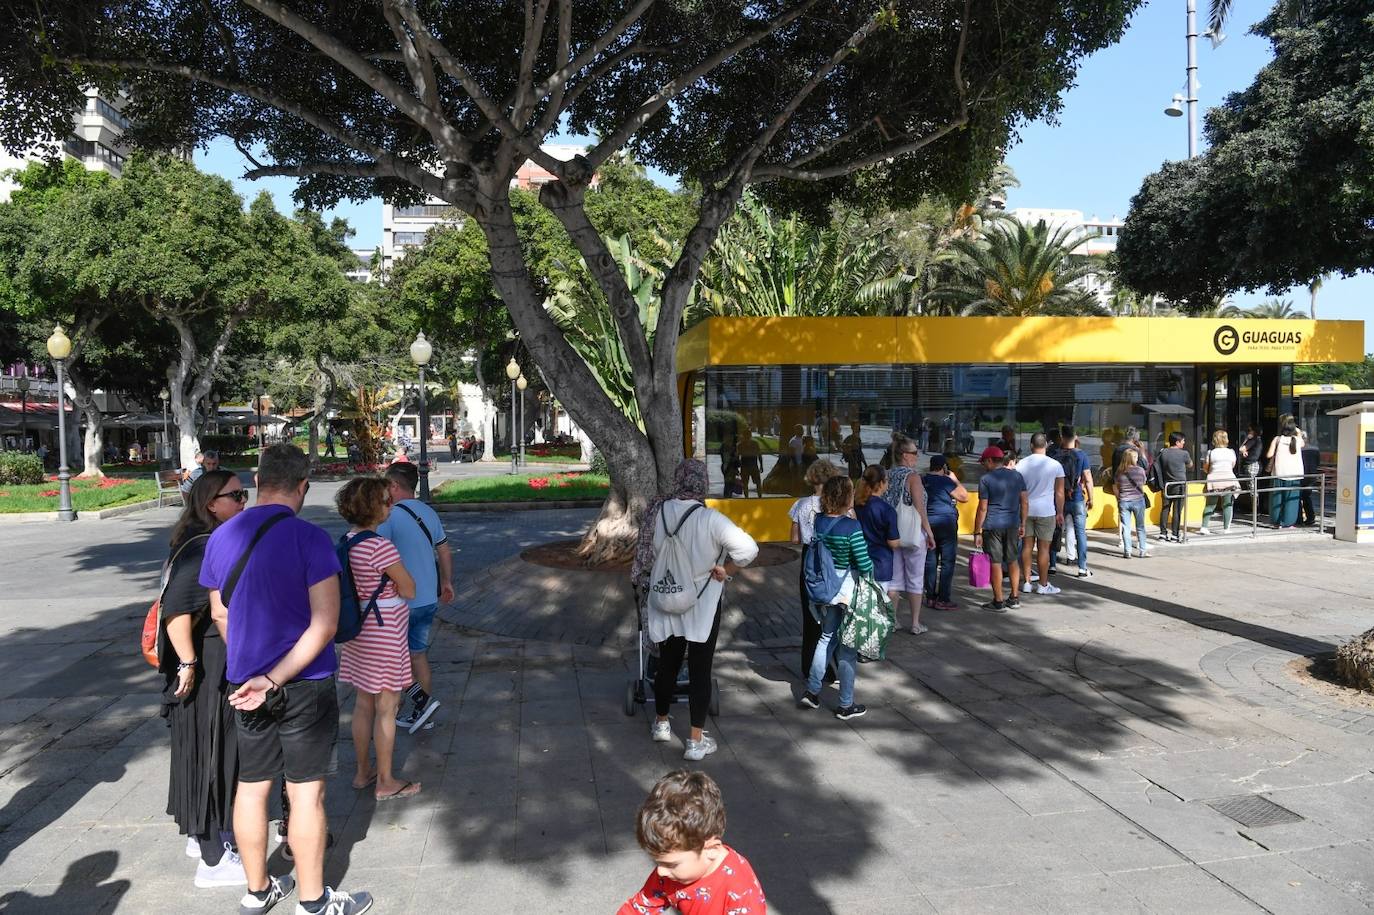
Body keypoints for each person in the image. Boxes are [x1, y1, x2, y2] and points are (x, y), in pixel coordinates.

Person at [201, 444, 372, 915]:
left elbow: (220, 611)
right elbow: (325, 624)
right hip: (303, 684)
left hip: (244, 683)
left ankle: (257, 892)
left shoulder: (221, 537)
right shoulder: (310, 539)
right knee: (306, 792)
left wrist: (253, 666)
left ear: (257, 481)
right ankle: (314, 901)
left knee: (252, 788)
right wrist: (274, 677)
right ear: (303, 486)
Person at [160, 469, 249, 889]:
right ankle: (213, 861)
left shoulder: (195, 539)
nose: (244, 502)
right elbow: (176, 610)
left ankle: (203, 840)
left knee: (202, 756)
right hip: (208, 668)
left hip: (205, 666)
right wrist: (190, 663)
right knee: (212, 758)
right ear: (212, 504)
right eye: (236, 495)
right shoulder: (205, 546)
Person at [635, 460, 758, 761]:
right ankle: (694, 741)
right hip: (702, 604)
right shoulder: (711, 519)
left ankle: (661, 724)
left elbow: (645, 554)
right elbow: (749, 549)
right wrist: (725, 569)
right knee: (701, 669)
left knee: (667, 662)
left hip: (666, 597)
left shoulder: (658, 512)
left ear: (678, 479)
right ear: (702, 483)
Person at [336, 476, 422, 802]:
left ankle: (362, 772)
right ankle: (385, 780)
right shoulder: (379, 546)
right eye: (386, 500)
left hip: (360, 630)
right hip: (384, 630)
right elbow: (409, 587)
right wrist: (399, 586)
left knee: (363, 703)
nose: (390, 504)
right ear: (373, 507)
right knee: (387, 706)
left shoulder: (348, 540)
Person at [618, 770, 765, 915]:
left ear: (711, 850)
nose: (660, 871)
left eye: (672, 864)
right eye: (658, 862)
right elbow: (638, 908)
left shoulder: (741, 891)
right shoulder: (671, 872)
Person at [377, 462, 454, 733]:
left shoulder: (390, 517)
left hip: (399, 602)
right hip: (427, 600)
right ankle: (423, 713)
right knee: (418, 656)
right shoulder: (428, 512)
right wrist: (446, 582)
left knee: (395, 659)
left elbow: (377, 556)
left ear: (395, 486)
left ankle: (393, 710)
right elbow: (444, 551)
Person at [799, 475, 870, 719]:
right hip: (845, 591)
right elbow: (863, 562)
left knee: (826, 638)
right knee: (848, 649)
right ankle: (846, 704)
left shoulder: (819, 522)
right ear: (847, 498)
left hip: (825, 589)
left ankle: (812, 690)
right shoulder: (851, 527)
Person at [789, 459, 839, 683]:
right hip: (833, 558)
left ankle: (808, 665)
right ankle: (832, 663)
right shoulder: (837, 504)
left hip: (809, 558)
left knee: (810, 615)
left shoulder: (800, 505)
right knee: (835, 613)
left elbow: (794, 538)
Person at [881, 435, 935, 634]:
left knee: (894, 580)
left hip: (892, 535)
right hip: (913, 535)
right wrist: (929, 533)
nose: (917, 456)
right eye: (914, 453)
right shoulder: (913, 477)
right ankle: (914, 623)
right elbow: (920, 509)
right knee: (915, 578)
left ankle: (892, 621)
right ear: (904, 455)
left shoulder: (886, 475)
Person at [973, 446, 1027, 613]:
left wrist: (977, 531)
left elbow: (982, 508)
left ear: (990, 461)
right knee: (1012, 560)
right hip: (1012, 524)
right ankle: (1015, 597)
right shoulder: (1017, 476)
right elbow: (1024, 502)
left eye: (984, 462)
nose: (983, 466)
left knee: (995, 562)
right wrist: (1023, 523)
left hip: (992, 525)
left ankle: (998, 601)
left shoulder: (986, 479)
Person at [1015, 433, 1065, 596]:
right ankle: (1043, 584)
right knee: (1044, 549)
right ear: (1046, 446)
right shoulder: (1055, 465)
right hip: (1046, 511)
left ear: (1031, 445)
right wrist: (1060, 512)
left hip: (1025, 510)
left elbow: (1017, 490)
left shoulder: (1021, 464)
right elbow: (1059, 492)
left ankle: (1027, 582)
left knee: (1027, 546)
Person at [853, 466, 902, 629]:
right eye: (886, 480)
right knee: (877, 608)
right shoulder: (887, 510)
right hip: (880, 563)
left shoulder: (856, 504)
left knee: (860, 606)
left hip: (857, 560)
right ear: (880, 483)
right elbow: (893, 542)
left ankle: (857, 645)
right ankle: (870, 647)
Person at [922, 454, 968, 610]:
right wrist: (955, 479)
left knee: (930, 560)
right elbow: (964, 497)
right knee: (947, 561)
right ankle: (943, 598)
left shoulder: (922, 480)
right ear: (944, 467)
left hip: (927, 522)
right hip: (946, 523)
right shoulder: (946, 481)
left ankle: (930, 596)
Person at [1058, 428, 1094, 578]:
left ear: (1062, 437)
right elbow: (1088, 477)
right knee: (1080, 533)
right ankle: (1082, 568)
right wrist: (1091, 498)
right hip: (1078, 498)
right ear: (1076, 437)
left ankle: (1052, 565)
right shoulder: (1082, 455)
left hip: (1060, 499)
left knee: (1057, 532)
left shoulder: (1056, 455)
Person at [1198, 430, 1240, 534]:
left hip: (1213, 480)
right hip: (1228, 479)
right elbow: (1233, 465)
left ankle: (1204, 527)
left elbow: (1206, 467)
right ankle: (1226, 528)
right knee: (1227, 504)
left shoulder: (1211, 452)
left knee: (1210, 505)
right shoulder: (1231, 452)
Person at [1267, 419, 1305, 529]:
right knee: (1291, 500)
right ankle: (1288, 523)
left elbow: (1269, 454)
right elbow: (1303, 442)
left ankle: (1276, 522)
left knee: (1276, 499)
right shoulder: (1297, 440)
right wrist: (1297, 431)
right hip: (1294, 474)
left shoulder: (1277, 439)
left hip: (1278, 473)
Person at [1156, 432, 1193, 541]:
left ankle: (1163, 533)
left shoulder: (1163, 452)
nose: (1184, 443)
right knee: (1177, 510)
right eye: (1183, 441)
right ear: (1177, 442)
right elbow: (1190, 464)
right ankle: (1175, 534)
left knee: (1165, 509)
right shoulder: (1184, 453)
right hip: (1180, 485)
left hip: (1166, 485)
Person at [1114, 448, 1149, 558]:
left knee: (1126, 527)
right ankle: (1143, 551)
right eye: (1136, 457)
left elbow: (1117, 486)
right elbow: (1143, 482)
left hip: (1124, 501)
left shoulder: (1119, 472)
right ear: (1133, 458)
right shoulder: (1140, 470)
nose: (1137, 459)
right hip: (1138, 500)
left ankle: (1127, 551)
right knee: (1140, 527)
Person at [1237, 423, 1264, 513]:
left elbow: (1241, 449)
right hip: (1257, 465)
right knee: (1254, 487)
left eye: (1249, 430)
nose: (1248, 432)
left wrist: (1246, 439)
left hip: (1251, 465)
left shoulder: (1253, 440)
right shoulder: (1259, 440)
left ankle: (1255, 510)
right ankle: (1256, 508)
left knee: (1252, 488)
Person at [736, 428, 762, 498]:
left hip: (750, 466)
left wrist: (761, 465)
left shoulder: (741, 445)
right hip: (748, 466)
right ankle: (750, 497)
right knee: (747, 483)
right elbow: (737, 457)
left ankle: (756, 497)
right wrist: (761, 465)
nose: (747, 437)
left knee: (754, 483)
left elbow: (759, 454)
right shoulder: (741, 445)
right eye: (746, 435)